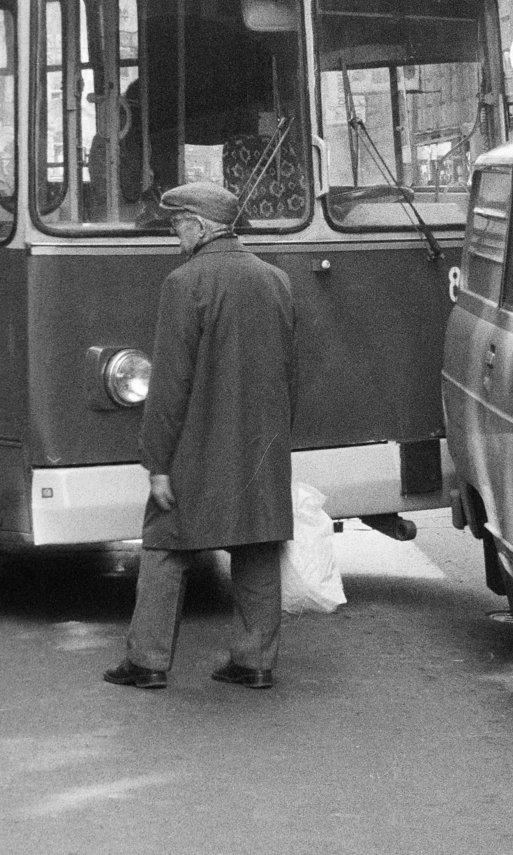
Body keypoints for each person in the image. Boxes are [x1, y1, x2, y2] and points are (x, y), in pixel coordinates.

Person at [104, 180, 297, 692]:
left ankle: (147, 661)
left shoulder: (184, 283)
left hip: (198, 445)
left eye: (177, 224)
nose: (174, 234)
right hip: (261, 444)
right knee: (258, 542)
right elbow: (289, 373)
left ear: (200, 226)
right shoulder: (276, 280)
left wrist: (157, 462)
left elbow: (169, 385)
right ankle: (255, 661)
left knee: (166, 544)